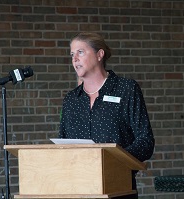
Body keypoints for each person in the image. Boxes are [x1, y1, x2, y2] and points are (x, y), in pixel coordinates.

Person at [59, 32, 155, 198]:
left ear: (99, 54)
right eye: (72, 54)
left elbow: (145, 140)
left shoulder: (126, 89)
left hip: (118, 187)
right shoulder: (71, 99)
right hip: (77, 188)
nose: (74, 59)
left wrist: (113, 161)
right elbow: (62, 144)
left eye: (80, 52)